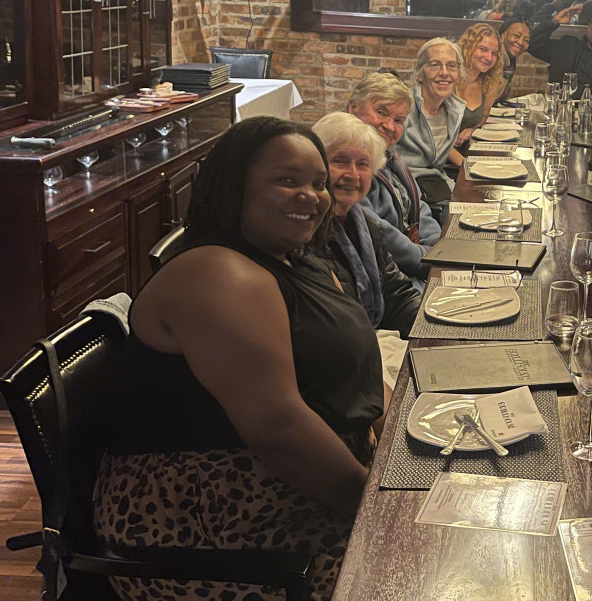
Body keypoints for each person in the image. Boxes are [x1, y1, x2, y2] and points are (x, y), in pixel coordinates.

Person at [93, 117, 384, 601]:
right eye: (286, 180)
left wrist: (408, 444)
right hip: (210, 522)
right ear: (233, 187)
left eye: (318, 183)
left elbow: (359, 366)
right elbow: (279, 432)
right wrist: (382, 509)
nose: (310, 196)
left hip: (300, 486)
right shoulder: (218, 274)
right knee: (433, 569)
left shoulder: (298, 258)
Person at [310, 113, 422, 337]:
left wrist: (434, 325)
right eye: (340, 161)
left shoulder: (369, 226)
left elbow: (398, 295)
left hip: (372, 339)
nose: (353, 174)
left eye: (362, 164)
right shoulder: (306, 233)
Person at [346, 72, 440, 287]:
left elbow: (418, 206)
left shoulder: (388, 154)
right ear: (353, 107)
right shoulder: (347, 163)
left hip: (415, 264)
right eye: (381, 112)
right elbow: (376, 231)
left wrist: (438, 244)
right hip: (387, 278)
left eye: (398, 120)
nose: (389, 126)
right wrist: (428, 260)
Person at [396, 36, 466, 216]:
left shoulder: (454, 110)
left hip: (437, 189)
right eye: (435, 65)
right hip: (405, 194)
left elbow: (436, 165)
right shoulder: (403, 108)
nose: (444, 73)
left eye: (451, 66)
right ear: (420, 74)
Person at [528, 7, 592, 105]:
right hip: (561, 111)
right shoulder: (566, 47)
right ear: (589, 27)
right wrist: (553, 22)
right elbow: (532, 45)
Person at [450, 23, 504, 165]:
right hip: (439, 159)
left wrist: (472, 129)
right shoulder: (449, 77)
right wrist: (468, 167)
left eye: (494, 53)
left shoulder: (490, 82)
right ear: (468, 47)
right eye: (483, 49)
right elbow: (435, 138)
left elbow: (484, 115)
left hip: (466, 153)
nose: (488, 57)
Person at [496, 17, 531, 103]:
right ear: (503, 35)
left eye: (526, 40)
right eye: (516, 36)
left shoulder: (510, 62)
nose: (521, 42)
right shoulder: (492, 58)